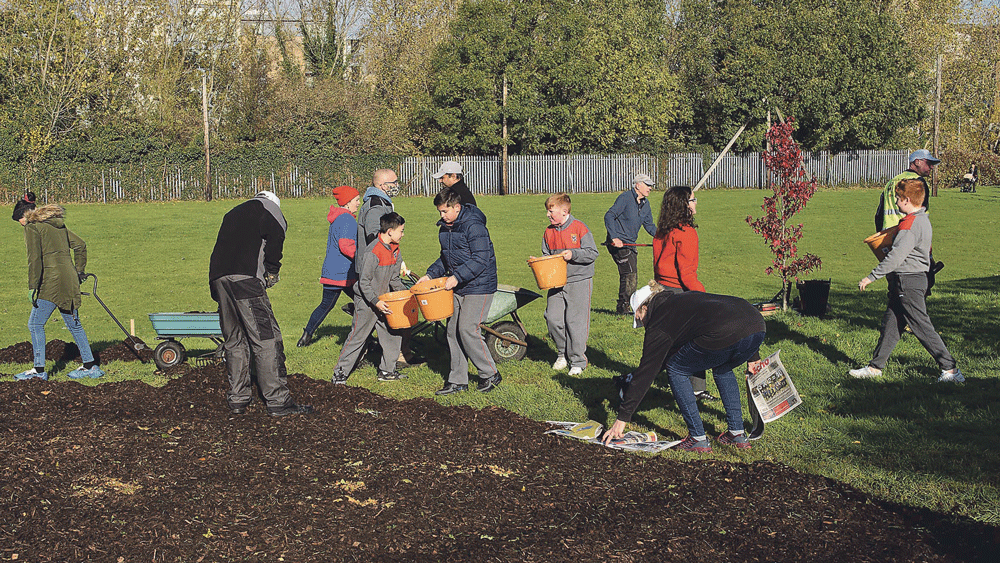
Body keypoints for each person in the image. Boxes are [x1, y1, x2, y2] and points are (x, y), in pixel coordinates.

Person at [604, 284, 766, 452]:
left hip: (727, 330)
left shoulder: (659, 319)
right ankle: (736, 434)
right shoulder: (680, 300)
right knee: (722, 366)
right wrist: (753, 355)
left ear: (644, 308)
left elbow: (647, 371)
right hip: (756, 323)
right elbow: (729, 315)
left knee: (675, 368)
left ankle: (697, 438)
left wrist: (622, 419)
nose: (641, 323)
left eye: (639, 317)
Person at [209, 191, 313, 417]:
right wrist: (272, 271)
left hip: (219, 278)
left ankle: (238, 398)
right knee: (266, 338)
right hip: (245, 280)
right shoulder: (270, 209)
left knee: (234, 340)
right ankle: (278, 400)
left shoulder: (232, 213)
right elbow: (276, 238)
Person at [850, 179, 963, 383]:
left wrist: (871, 277)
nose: (896, 202)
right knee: (891, 324)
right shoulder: (922, 219)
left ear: (907, 200)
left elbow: (895, 257)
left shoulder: (910, 225)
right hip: (911, 280)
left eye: (899, 199)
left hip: (908, 282)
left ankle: (950, 370)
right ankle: (875, 367)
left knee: (921, 325)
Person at [419, 187, 501, 395]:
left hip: (480, 285)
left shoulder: (474, 226)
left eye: (445, 211)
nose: (442, 215)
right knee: (453, 330)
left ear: (457, 207)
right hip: (457, 285)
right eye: (440, 212)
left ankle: (490, 373)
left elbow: (481, 259)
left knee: (467, 329)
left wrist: (456, 277)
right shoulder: (446, 228)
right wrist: (430, 275)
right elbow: (445, 258)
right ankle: (457, 380)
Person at [14, 197, 105, 381]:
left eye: (19, 220)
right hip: (69, 279)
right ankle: (90, 366)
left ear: (25, 215)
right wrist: (79, 272)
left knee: (35, 324)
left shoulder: (32, 227)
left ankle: (39, 371)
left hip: (51, 282)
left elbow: (35, 260)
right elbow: (80, 245)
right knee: (74, 324)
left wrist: (33, 286)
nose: (20, 224)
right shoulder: (57, 225)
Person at [652, 185, 714, 401]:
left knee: (667, 345)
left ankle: (694, 386)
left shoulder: (662, 230)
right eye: (693, 200)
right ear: (683, 205)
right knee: (698, 340)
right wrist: (706, 298)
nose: (696, 203)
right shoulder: (686, 233)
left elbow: (659, 266)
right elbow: (687, 274)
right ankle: (695, 389)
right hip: (680, 294)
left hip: (660, 292)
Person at [331, 212, 408, 384]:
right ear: (389, 231)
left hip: (385, 302)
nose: (403, 234)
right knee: (358, 337)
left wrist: (405, 296)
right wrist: (376, 302)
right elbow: (363, 283)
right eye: (401, 231)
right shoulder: (373, 251)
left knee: (393, 334)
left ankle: (387, 371)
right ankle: (339, 373)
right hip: (367, 302)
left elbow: (395, 279)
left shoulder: (395, 250)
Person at [530, 193, 598, 376]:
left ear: (564, 211)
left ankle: (578, 361)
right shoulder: (548, 231)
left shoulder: (580, 228)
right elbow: (547, 255)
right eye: (548, 211)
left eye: (551, 211)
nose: (548, 215)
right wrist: (538, 262)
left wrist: (573, 255)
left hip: (579, 280)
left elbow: (592, 253)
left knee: (575, 321)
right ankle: (562, 353)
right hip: (555, 282)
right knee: (552, 318)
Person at [298, 185, 361, 347]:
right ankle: (361, 330)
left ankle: (306, 337)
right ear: (347, 202)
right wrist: (362, 258)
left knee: (325, 305)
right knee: (366, 301)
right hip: (343, 273)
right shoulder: (347, 219)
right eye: (356, 200)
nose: (358, 203)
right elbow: (346, 245)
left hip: (331, 271)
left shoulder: (339, 217)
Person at [605, 172, 656, 314]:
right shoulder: (625, 198)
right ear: (637, 185)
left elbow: (650, 226)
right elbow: (609, 215)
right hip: (617, 243)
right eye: (647, 185)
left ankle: (625, 306)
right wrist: (614, 237)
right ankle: (623, 308)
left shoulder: (645, 204)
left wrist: (663, 236)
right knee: (629, 273)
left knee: (630, 273)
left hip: (630, 244)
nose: (650, 188)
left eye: (651, 185)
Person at [876, 149, 938, 232]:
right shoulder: (917, 182)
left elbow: (879, 214)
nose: (931, 167)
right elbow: (921, 210)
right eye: (928, 163)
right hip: (908, 230)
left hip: (888, 233)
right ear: (917, 162)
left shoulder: (891, 182)